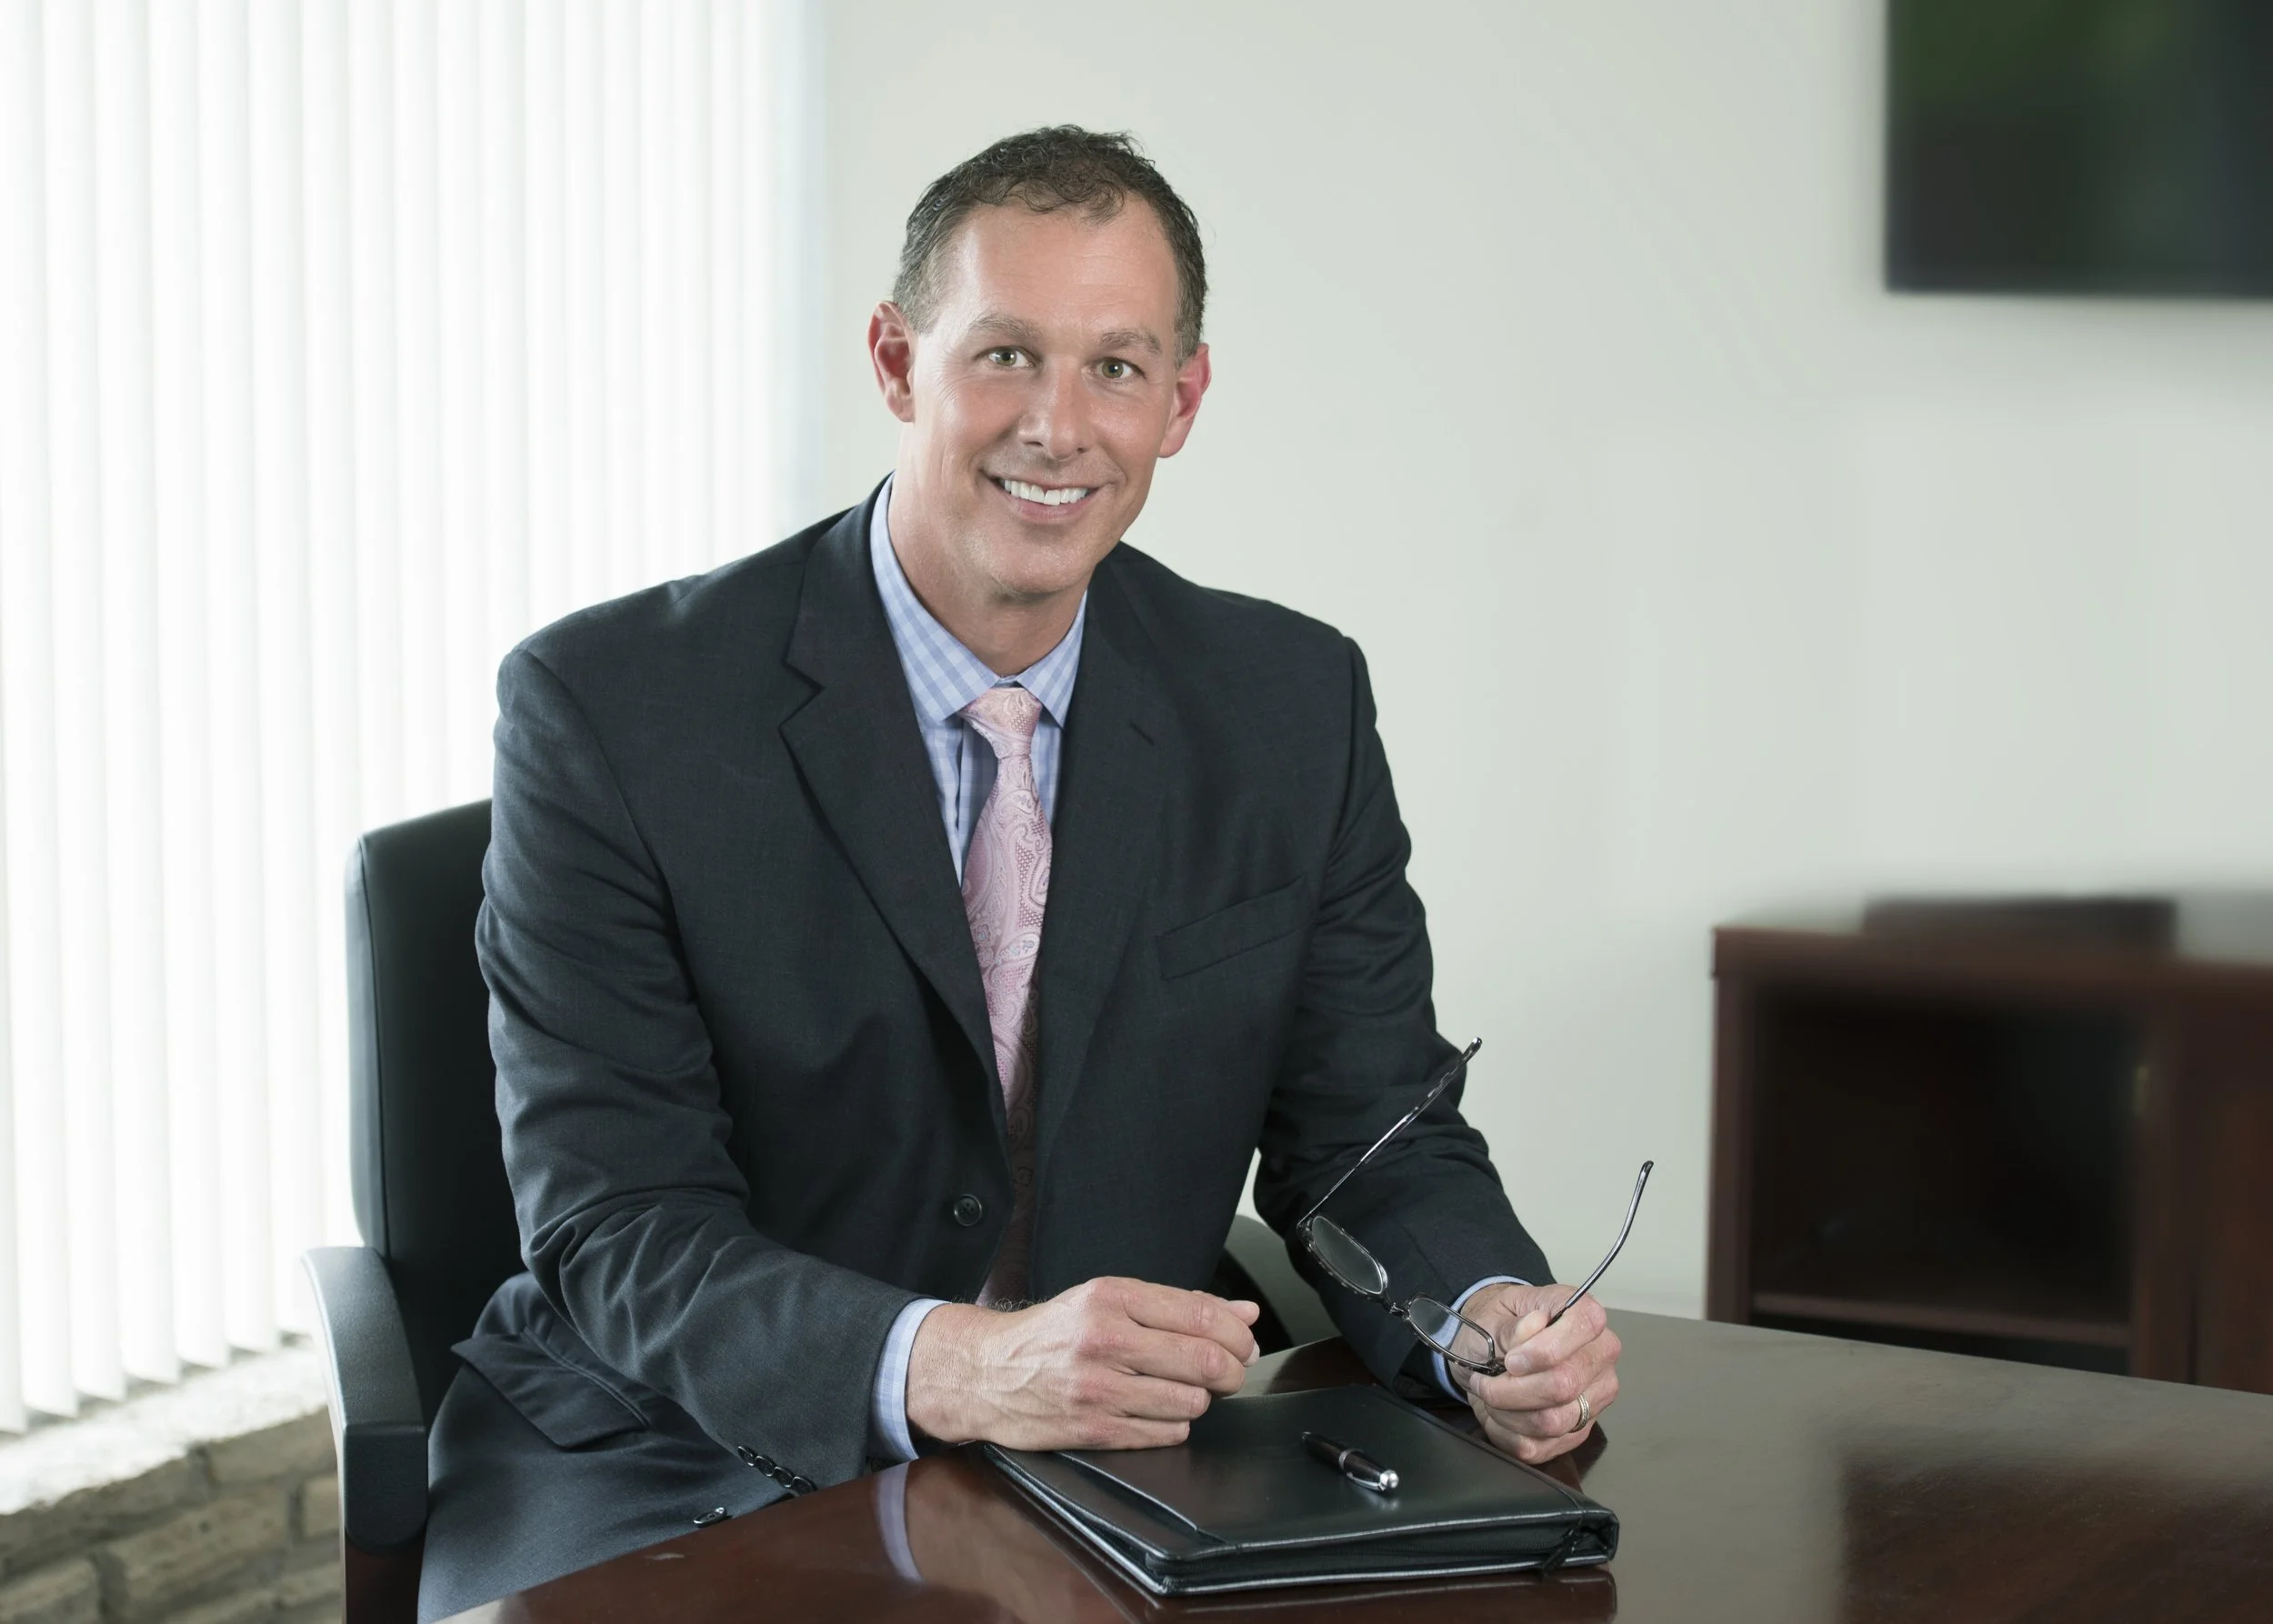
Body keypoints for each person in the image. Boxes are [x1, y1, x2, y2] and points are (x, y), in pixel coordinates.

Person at [417, 125, 1623, 1620]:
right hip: (670, 1451)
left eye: (1117, 367)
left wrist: (1483, 1318)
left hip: (1115, 1477)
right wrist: (962, 1362)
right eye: (1004, 354)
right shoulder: (612, 710)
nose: (1057, 426)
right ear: (893, 358)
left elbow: (1373, 1129)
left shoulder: (1289, 703)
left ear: (1182, 400)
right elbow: (619, 1224)